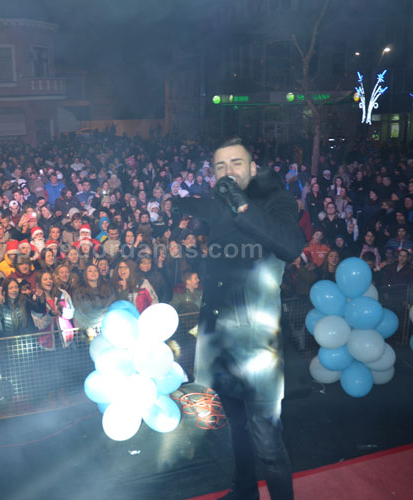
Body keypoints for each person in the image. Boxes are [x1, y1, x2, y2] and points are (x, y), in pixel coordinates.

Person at [173, 137, 305, 500]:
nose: (227, 172)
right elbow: (202, 209)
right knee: (236, 427)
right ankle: (245, 491)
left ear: (252, 168)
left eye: (236, 163)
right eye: (220, 166)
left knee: (266, 440)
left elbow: (291, 245)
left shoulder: (276, 201)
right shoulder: (218, 204)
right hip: (219, 339)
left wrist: (242, 204)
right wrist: (178, 204)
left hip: (256, 344)